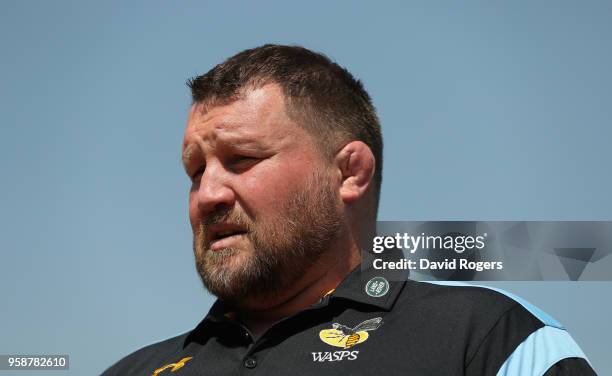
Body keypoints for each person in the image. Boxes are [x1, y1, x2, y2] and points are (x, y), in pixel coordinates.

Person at [102, 44, 596, 376]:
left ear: (349, 173)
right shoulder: (134, 369)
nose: (208, 194)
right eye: (195, 171)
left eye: (242, 160)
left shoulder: (491, 340)